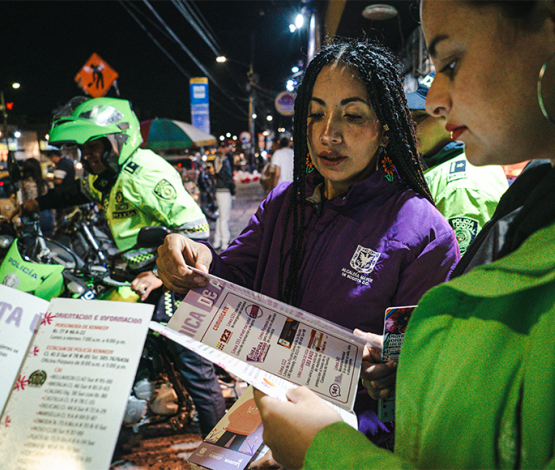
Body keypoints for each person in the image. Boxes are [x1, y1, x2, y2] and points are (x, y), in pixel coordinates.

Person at [253, 2, 555, 469]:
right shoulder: (528, 211)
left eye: (450, 63)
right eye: (314, 115)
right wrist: (406, 367)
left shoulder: (424, 230)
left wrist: (327, 448)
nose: (434, 98)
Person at [156, 39, 460, 442]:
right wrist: (197, 258)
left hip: (351, 445)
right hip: (260, 422)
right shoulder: (285, 203)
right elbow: (233, 279)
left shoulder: (424, 233)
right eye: (316, 114)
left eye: (352, 115)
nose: (328, 134)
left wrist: (388, 368)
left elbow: (425, 385)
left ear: (385, 131)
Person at [20, 96, 225, 437]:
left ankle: (221, 452)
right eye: (80, 150)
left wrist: (160, 275)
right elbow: (75, 192)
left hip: (172, 280)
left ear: (118, 141)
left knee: (194, 368)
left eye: (92, 147)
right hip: (136, 272)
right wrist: (33, 204)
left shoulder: (144, 172)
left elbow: (195, 231)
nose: (85, 157)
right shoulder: (108, 177)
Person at [407, 72, 508, 255]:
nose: (411, 125)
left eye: (420, 117)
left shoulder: (461, 186)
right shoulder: (448, 164)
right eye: (410, 116)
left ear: (455, 119)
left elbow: (458, 270)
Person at [11, 158, 55, 236]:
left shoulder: (23, 184)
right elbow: (52, 203)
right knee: (47, 244)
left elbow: (20, 202)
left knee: (31, 244)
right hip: (47, 216)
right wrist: (54, 220)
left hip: (31, 217)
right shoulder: (46, 183)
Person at [213, 140, 236, 251]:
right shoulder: (224, 160)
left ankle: (217, 241)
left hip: (218, 191)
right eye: (226, 147)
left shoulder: (216, 159)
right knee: (224, 218)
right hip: (225, 191)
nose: (228, 149)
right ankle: (225, 243)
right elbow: (228, 177)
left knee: (220, 217)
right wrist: (233, 190)